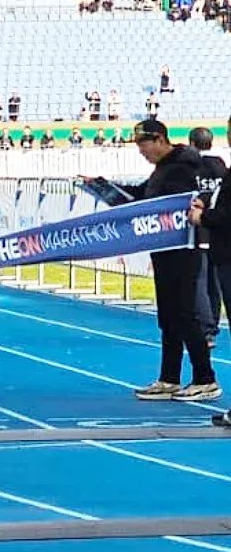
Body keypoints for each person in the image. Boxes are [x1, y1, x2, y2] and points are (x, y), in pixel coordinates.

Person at [112, 120, 219, 402]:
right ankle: (169, 377)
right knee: (169, 316)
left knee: (185, 314)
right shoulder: (162, 169)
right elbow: (141, 197)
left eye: (143, 145)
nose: (141, 152)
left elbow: (183, 202)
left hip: (183, 249)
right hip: (163, 250)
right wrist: (104, 188)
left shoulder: (184, 167)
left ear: (159, 139)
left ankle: (205, 378)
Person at [189, 115, 231, 426]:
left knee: (202, 288)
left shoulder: (197, 168)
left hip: (220, 247)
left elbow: (225, 215)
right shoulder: (222, 169)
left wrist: (203, 217)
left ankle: (206, 330)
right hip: (220, 251)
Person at [188, 126, 228, 348]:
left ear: (192, 143)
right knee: (215, 282)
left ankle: (205, 329)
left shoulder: (191, 167)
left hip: (198, 226)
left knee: (200, 280)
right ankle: (212, 325)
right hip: (218, 230)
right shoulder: (221, 166)